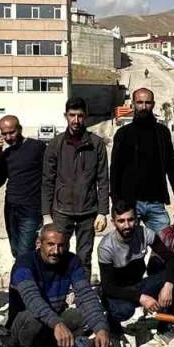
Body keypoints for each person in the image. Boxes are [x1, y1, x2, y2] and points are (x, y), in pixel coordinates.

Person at [7, 225, 110, 347]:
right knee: (32, 317)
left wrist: (100, 328)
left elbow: (86, 295)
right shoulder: (24, 264)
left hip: (52, 323)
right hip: (25, 327)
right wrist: (57, 323)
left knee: (82, 317)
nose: (56, 251)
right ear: (39, 243)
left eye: (61, 246)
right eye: (50, 244)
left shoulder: (72, 261)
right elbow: (32, 298)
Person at [42, 97, 110, 276]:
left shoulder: (96, 144)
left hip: (88, 212)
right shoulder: (55, 144)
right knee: (57, 254)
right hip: (61, 212)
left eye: (80, 115)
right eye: (72, 115)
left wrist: (102, 212)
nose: (76, 120)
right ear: (65, 116)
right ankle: (59, 290)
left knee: (84, 257)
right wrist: (46, 214)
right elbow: (47, 180)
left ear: (85, 116)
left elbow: (103, 180)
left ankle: (82, 290)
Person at [96, 200, 174, 331]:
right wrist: (141, 298)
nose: (126, 225)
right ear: (113, 222)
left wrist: (168, 285)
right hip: (118, 290)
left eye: (130, 220)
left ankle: (164, 325)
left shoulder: (145, 234)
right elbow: (108, 287)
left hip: (138, 284)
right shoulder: (106, 246)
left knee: (171, 277)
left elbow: (172, 259)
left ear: (136, 219)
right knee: (125, 310)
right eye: (121, 221)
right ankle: (111, 323)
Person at [110, 88, 174, 233]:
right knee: (129, 245)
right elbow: (115, 170)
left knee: (165, 242)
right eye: (140, 102)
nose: (143, 106)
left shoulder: (162, 133)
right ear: (133, 104)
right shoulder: (123, 134)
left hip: (156, 202)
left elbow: (172, 166)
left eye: (147, 103)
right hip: (130, 203)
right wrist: (116, 202)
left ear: (153, 104)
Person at [0, 115, 45, 261]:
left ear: (20, 129)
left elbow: (50, 176)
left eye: (12, 132)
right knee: (15, 251)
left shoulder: (36, 147)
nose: (8, 137)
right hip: (11, 208)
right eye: (4, 134)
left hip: (31, 208)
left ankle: (26, 275)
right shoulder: (6, 153)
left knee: (24, 253)